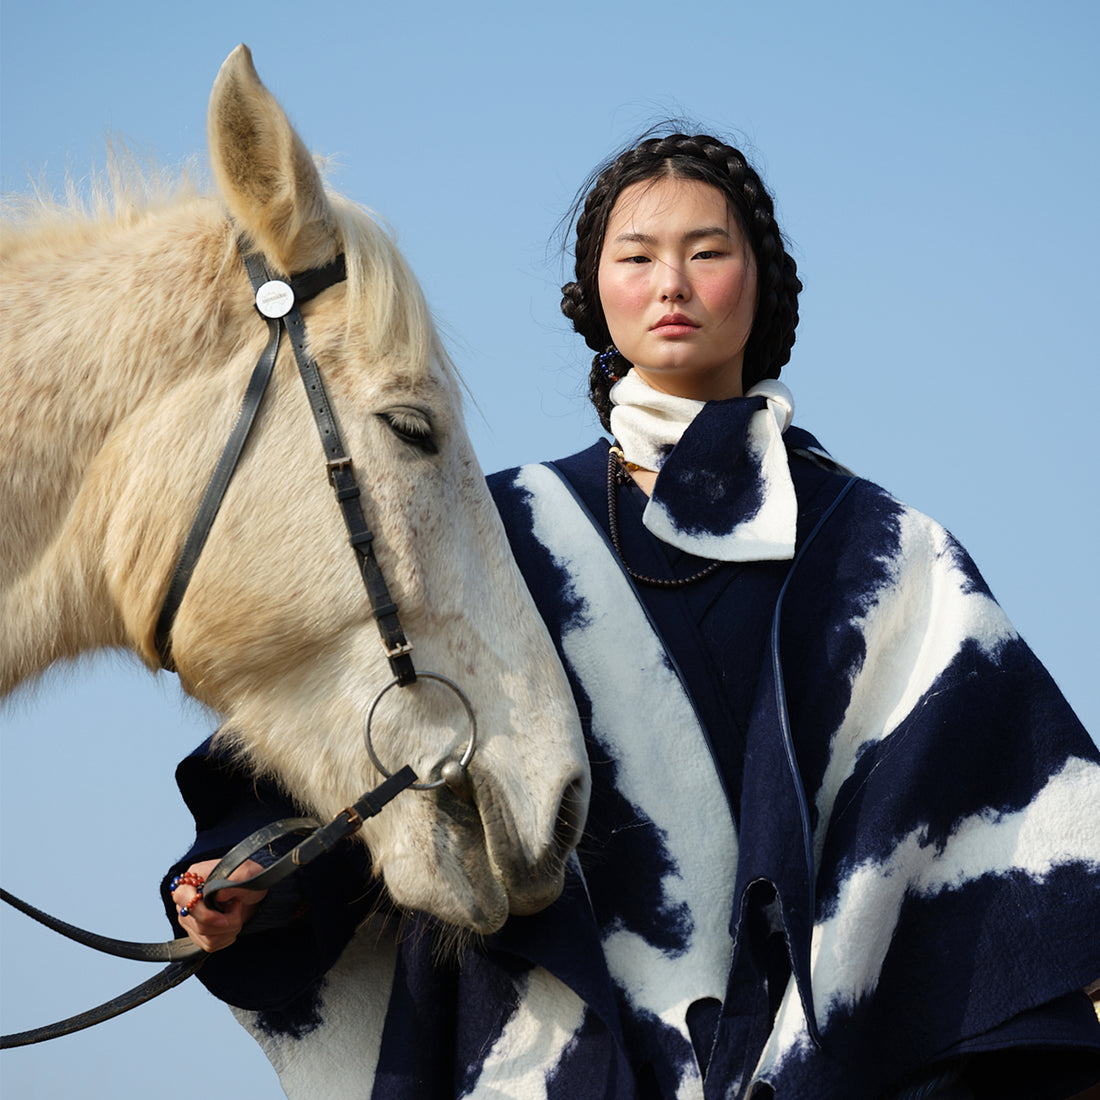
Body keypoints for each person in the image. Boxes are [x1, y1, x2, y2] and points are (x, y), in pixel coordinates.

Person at [165, 133, 1100, 1099]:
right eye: (637, 257)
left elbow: (1001, 844)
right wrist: (259, 884)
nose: (673, 284)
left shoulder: (883, 550)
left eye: (708, 251)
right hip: (540, 1054)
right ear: (596, 291)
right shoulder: (491, 531)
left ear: (761, 281)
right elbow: (367, 765)